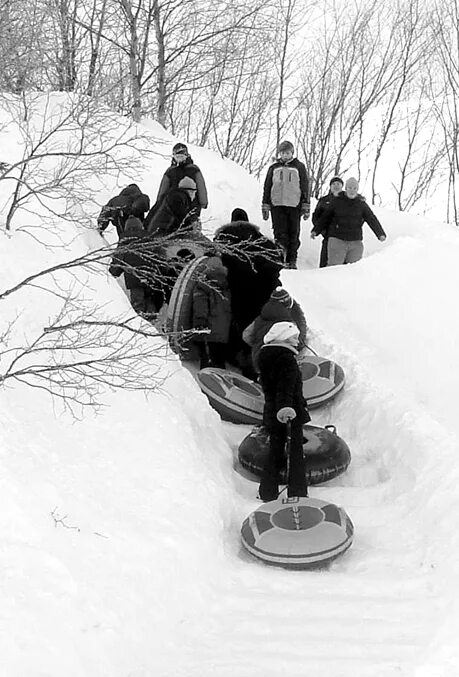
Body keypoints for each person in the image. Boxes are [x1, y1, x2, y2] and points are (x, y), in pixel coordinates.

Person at [213, 220, 283, 379]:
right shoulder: (263, 242)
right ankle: (266, 363)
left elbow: (221, 267)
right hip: (266, 292)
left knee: (243, 329)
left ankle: (248, 368)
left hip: (241, 292)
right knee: (262, 328)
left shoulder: (226, 243)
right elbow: (277, 262)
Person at [257, 321, 311, 502]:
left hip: (272, 410)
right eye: (293, 337)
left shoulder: (267, 356)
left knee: (275, 451)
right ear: (283, 338)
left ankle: (267, 491)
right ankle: (297, 492)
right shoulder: (286, 359)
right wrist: (286, 408)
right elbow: (285, 387)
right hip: (288, 413)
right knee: (295, 454)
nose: (297, 341)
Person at [311, 177, 386, 266]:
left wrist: (380, 234)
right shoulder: (337, 201)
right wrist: (316, 230)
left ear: (357, 190)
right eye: (350, 188)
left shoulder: (361, 204)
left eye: (354, 188)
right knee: (334, 269)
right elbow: (325, 217)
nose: (352, 190)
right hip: (337, 240)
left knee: (353, 271)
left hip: (355, 242)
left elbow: (371, 219)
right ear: (346, 189)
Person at [261, 141, 310, 269]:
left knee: (293, 233)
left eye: (287, 152)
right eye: (283, 153)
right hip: (277, 204)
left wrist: (306, 204)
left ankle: (292, 259)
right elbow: (267, 186)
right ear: (279, 153)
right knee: (279, 232)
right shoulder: (274, 167)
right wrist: (265, 204)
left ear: (292, 153)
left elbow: (305, 185)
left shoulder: (299, 167)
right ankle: (280, 257)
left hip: (294, 204)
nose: (285, 155)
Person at [242, 287, 307, 373]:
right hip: (283, 363)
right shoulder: (289, 322)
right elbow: (299, 337)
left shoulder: (262, 316)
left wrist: (259, 343)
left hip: (259, 358)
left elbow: (246, 335)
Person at [108, 216, 158, 315]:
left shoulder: (125, 241)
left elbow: (118, 260)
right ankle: (151, 323)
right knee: (150, 300)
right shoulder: (150, 238)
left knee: (137, 304)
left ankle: (139, 324)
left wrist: (113, 272)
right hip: (150, 275)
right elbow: (158, 257)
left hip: (134, 278)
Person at [191, 255, 232, 370]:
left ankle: (205, 386)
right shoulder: (227, 284)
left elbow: (200, 305)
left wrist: (199, 322)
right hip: (224, 330)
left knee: (207, 362)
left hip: (208, 329)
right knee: (219, 361)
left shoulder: (203, 285)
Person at [156, 143, 208, 216]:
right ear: (174, 157)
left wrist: (203, 202)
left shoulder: (194, 170)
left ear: (186, 156)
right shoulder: (170, 171)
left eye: (182, 157)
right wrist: (159, 202)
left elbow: (201, 186)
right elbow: (163, 188)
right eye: (177, 157)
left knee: (193, 223)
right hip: (173, 206)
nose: (179, 160)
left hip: (192, 206)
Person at [311, 176, 344, 267]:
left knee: (342, 266)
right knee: (324, 264)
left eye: (338, 184)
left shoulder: (347, 199)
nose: (336, 186)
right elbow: (316, 217)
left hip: (344, 238)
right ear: (330, 186)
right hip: (328, 236)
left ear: (342, 186)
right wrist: (321, 231)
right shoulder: (324, 200)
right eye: (333, 184)